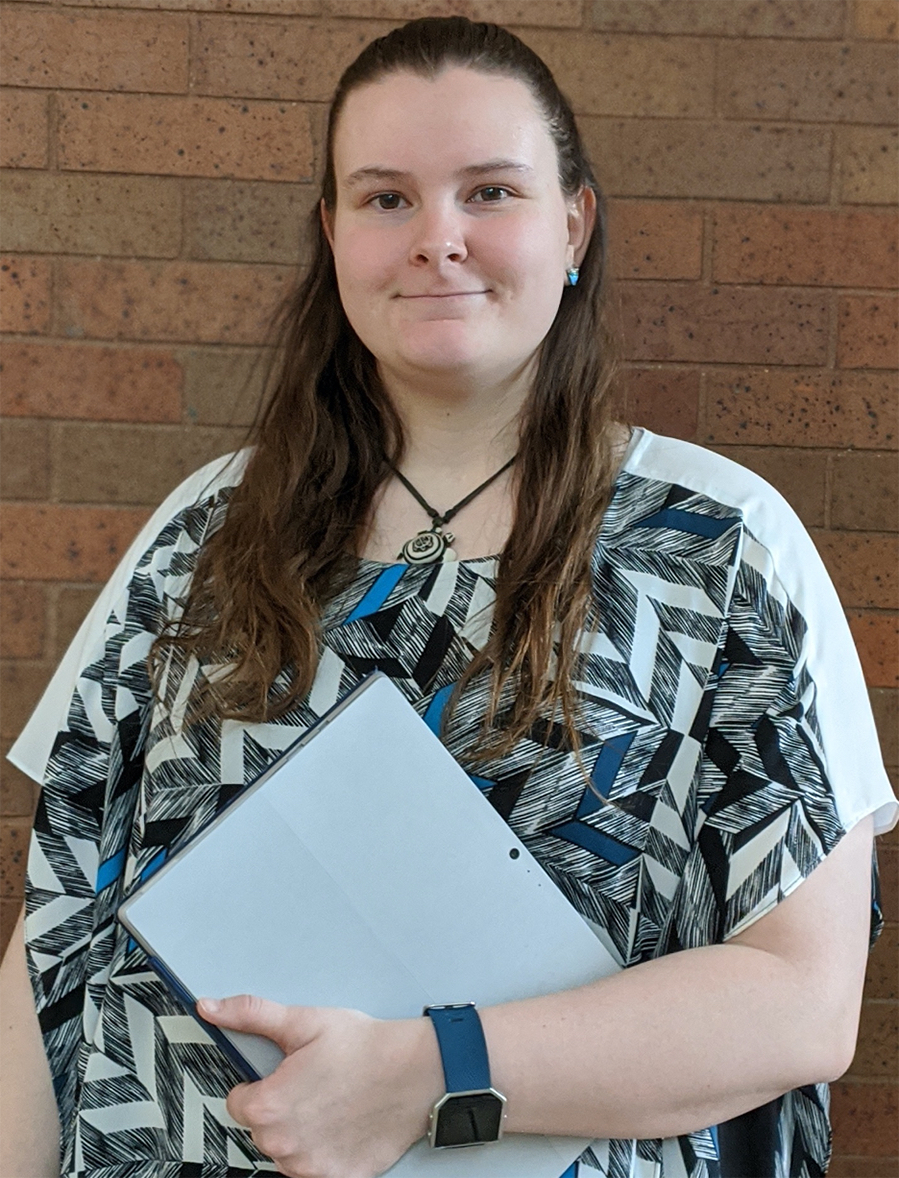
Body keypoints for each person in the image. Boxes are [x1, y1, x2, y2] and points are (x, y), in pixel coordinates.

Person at [1, 16, 895, 1178]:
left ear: (571, 223)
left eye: (488, 191)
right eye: (384, 199)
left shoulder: (716, 545)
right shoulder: (202, 536)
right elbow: (58, 935)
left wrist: (433, 1069)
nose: (437, 240)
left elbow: (800, 1003)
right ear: (330, 235)